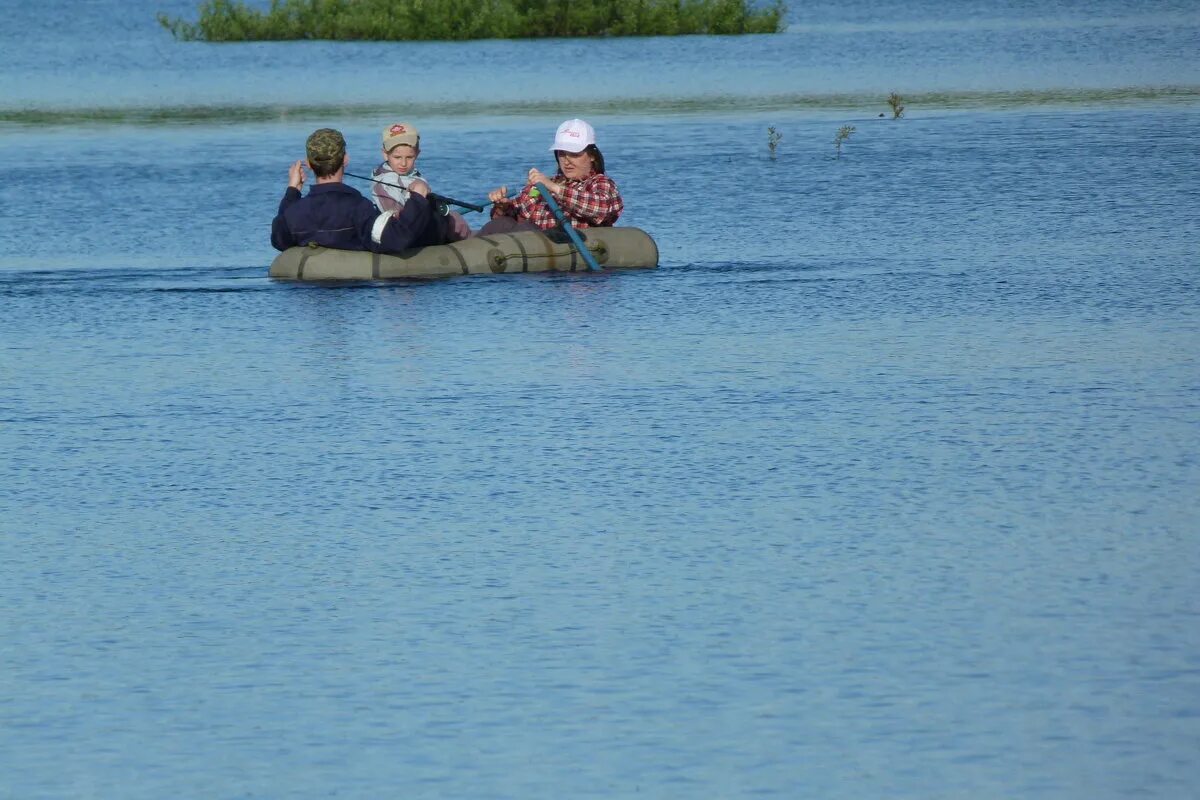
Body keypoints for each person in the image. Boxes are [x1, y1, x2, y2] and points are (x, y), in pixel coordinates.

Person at [271, 128, 445, 253]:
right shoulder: (359, 208)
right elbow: (397, 239)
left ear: (309, 164)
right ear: (345, 160)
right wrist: (417, 198)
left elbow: (279, 240)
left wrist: (293, 190)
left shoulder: (294, 212)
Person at [479, 119, 623, 236]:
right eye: (562, 154)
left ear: (592, 155)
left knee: (527, 229)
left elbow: (602, 208)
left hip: (568, 246)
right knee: (502, 224)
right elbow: (514, 215)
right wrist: (502, 206)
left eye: (574, 154)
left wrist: (555, 189)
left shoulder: (601, 183)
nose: (567, 161)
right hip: (532, 247)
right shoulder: (545, 184)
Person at [370, 122, 471, 241]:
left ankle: (469, 240)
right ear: (385, 154)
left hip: (422, 226)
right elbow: (397, 217)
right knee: (454, 219)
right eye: (397, 157)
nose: (403, 163)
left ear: (417, 154)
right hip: (405, 233)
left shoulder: (413, 175)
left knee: (455, 218)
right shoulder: (384, 183)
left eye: (409, 157)